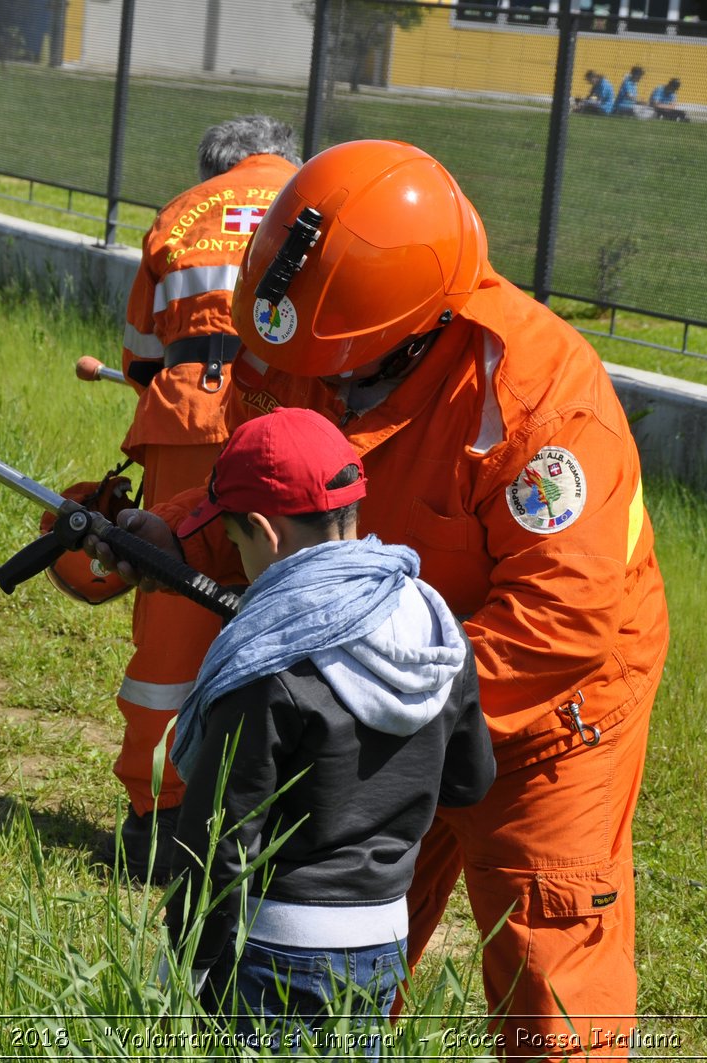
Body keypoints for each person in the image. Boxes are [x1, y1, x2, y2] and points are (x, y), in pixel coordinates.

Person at [90, 140, 670, 1060]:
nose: (318, 387)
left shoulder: (539, 406)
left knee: (551, 978)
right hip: (371, 680)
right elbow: (275, 489)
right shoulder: (313, 344)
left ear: (413, 331)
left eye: (341, 374)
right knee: (336, 940)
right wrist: (179, 536)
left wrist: (386, 700)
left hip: (546, 711)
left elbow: (565, 618)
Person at [162, 407, 496, 1051]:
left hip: (274, 948)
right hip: (382, 941)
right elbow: (468, 781)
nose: (239, 559)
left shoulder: (271, 657)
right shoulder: (435, 625)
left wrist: (190, 961)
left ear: (263, 530)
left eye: (235, 543)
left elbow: (220, 839)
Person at [99, 114, 299, 882]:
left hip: (188, 420)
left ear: (215, 166)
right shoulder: (313, 200)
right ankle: (273, 807)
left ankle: (159, 820)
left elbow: (141, 354)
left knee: (175, 614)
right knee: (289, 601)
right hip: (290, 421)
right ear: (283, 158)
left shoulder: (182, 212)